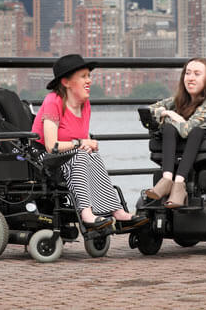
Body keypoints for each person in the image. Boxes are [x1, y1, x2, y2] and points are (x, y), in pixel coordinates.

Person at [31, 54, 147, 232]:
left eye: (89, 76)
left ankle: (116, 211)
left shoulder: (84, 105)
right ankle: (86, 213)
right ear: (66, 82)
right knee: (80, 155)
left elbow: (81, 143)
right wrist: (81, 143)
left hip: (69, 156)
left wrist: (87, 145)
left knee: (91, 154)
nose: (89, 81)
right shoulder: (53, 101)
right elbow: (51, 146)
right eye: (83, 76)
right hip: (43, 159)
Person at [144, 57, 206, 208]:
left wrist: (170, 114)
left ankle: (179, 185)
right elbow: (146, 112)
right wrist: (164, 112)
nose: (190, 78)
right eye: (188, 73)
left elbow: (187, 130)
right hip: (189, 139)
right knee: (169, 128)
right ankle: (167, 179)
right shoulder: (180, 99)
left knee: (196, 130)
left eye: (197, 74)